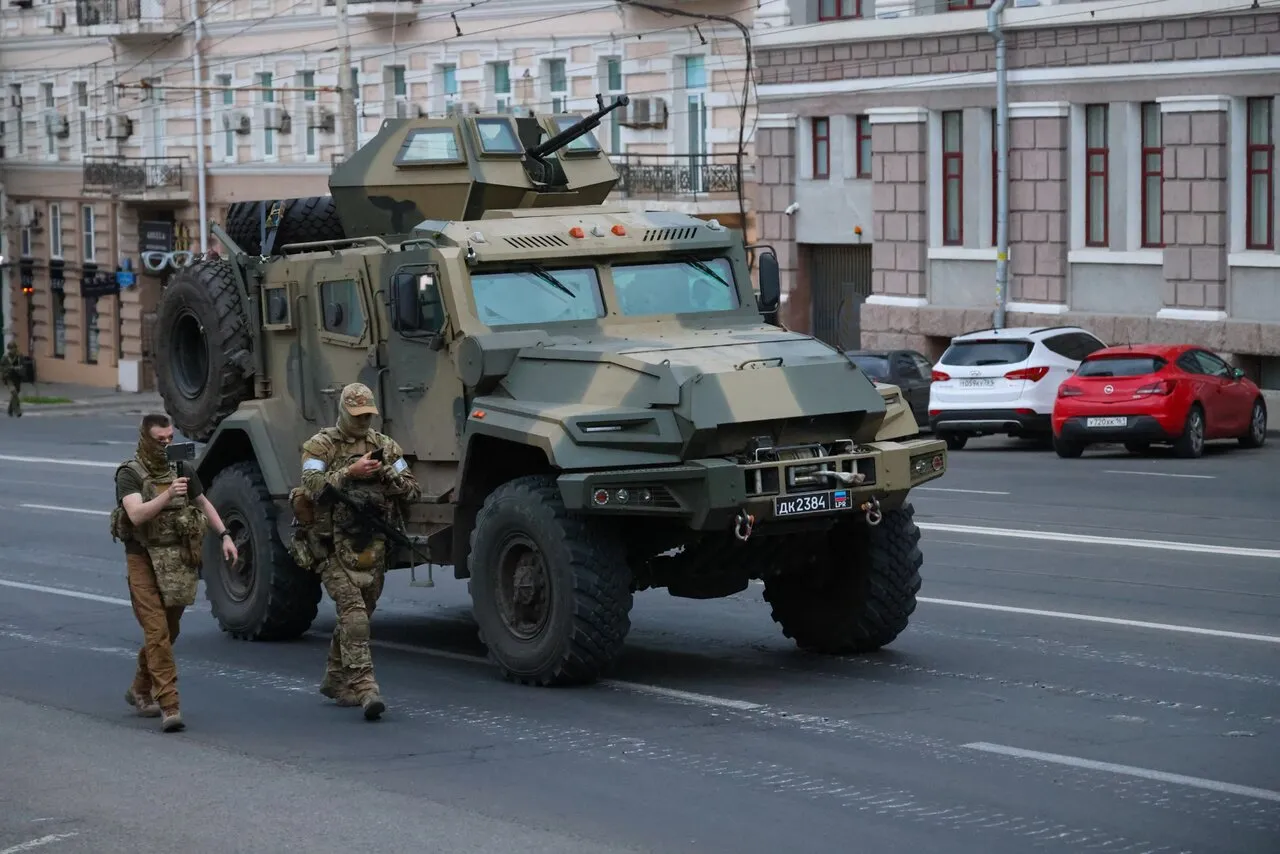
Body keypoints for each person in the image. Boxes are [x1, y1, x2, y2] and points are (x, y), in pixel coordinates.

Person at [293, 382, 420, 721]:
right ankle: (366, 688)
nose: (363, 421)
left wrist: (389, 479)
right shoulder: (320, 446)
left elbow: (412, 490)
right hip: (330, 547)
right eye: (357, 415)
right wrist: (349, 472)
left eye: (368, 415)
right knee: (355, 616)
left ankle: (335, 680)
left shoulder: (384, 446)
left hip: (370, 548)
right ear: (343, 412)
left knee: (360, 614)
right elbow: (312, 487)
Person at [110, 412, 238, 732]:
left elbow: (202, 502)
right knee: (156, 632)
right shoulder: (130, 473)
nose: (166, 444)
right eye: (159, 440)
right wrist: (168, 493)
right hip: (142, 557)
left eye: (170, 438)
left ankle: (140, 687)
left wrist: (224, 535)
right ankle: (169, 704)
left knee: (170, 630)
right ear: (145, 439)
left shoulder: (181, 467)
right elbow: (136, 514)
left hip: (177, 559)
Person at [1, 341, 22, 417]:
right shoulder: (5, 358)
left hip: (17, 378)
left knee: (15, 394)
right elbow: (2, 368)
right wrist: (8, 369)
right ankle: (17, 411)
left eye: (14, 348)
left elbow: (23, 365)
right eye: (12, 348)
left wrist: (19, 368)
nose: (14, 350)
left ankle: (10, 409)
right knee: (14, 393)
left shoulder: (19, 356)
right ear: (9, 349)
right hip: (9, 378)